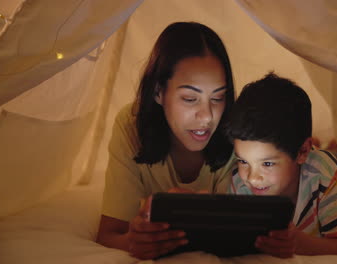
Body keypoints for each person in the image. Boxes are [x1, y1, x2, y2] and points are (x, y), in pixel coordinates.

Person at [96, 22, 236, 260]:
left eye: (218, 97)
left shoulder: (235, 132)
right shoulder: (132, 127)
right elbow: (109, 234)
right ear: (158, 92)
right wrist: (133, 241)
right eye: (190, 98)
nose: (207, 116)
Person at [225, 73, 337, 258]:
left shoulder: (326, 176)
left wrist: (300, 244)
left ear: (302, 152)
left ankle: (334, 148)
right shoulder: (239, 182)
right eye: (243, 161)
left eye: (267, 163)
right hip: (305, 157)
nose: (252, 178)